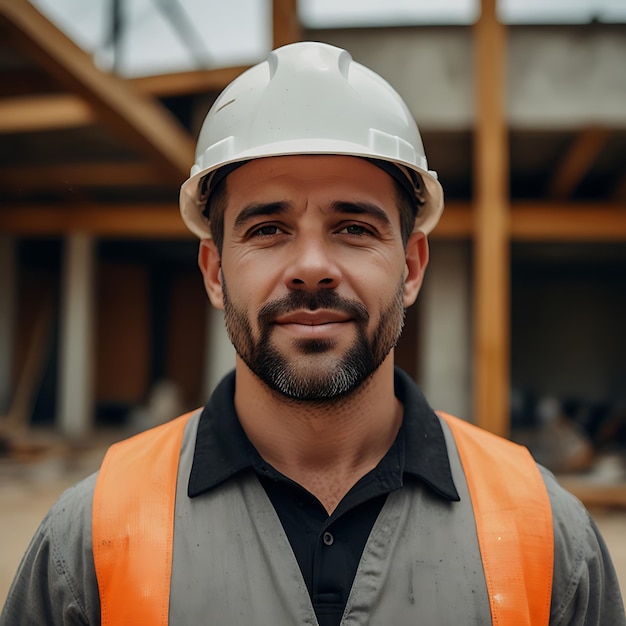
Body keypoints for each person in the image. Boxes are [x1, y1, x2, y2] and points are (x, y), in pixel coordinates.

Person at [1, 41, 624, 626]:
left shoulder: (547, 535)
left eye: (353, 227)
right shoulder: (88, 540)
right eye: (268, 229)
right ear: (216, 272)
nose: (311, 267)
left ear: (409, 267)